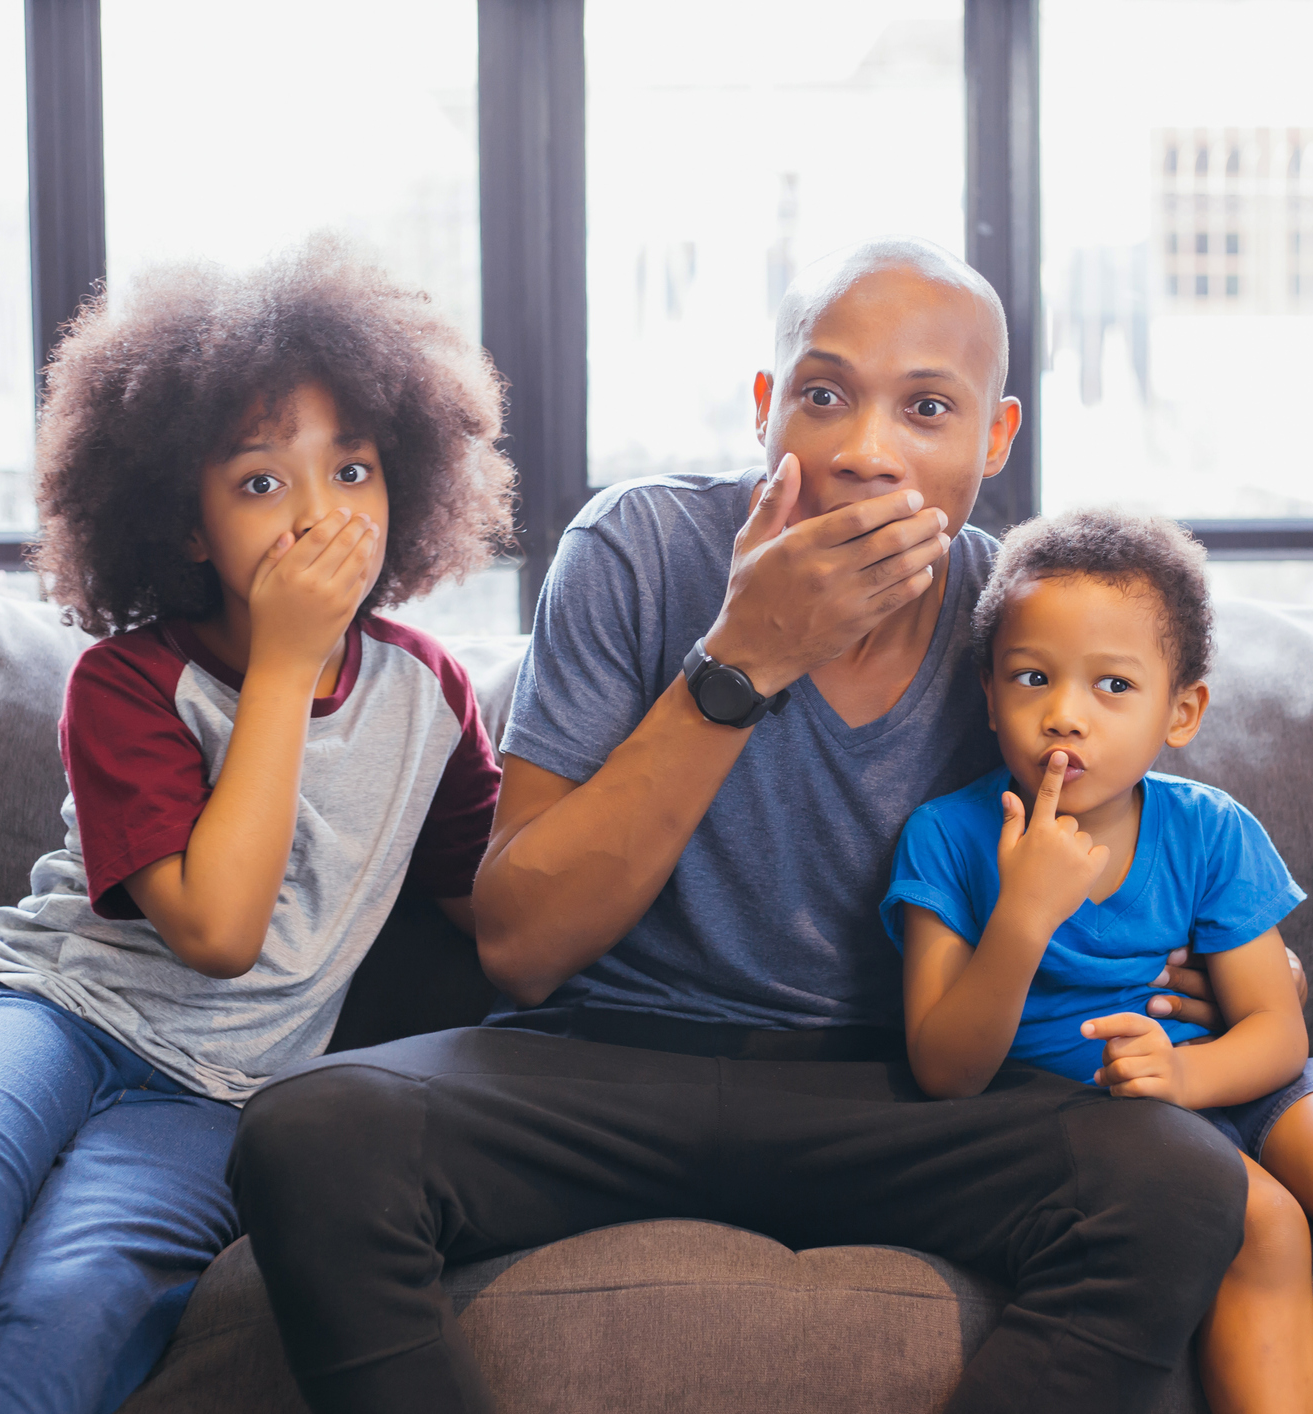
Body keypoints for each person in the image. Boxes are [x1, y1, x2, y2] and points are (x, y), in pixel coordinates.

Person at [232, 239, 1255, 1414]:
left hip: (893, 1097)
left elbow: (1131, 834)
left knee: (1178, 1180)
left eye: (927, 409)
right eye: (824, 396)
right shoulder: (639, 550)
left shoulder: (1013, 618)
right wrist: (743, 657)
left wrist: (1203, 968)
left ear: (996, 439)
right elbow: (519, 944)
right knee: (309, 1137)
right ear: (768, 410)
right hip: (605, 1062)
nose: (866, 451)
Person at [0, 235, 516, 1414]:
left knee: (73, 1303)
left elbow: (509, 907)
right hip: (48, 1011)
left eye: (356, 470)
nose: (319, 517)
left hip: (220, 1094)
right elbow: (218, 928)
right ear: (187, 526)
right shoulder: (128, 684)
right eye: (262, 482)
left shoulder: (429, 699)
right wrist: (283, 665)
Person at [888, 508, 1313, 1414]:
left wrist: (1186, 1072)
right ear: (987, 695)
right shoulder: (950, 838)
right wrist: (1021, 918)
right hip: (1103, 1110)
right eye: (1031, 678)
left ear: (1181, 710)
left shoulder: (1208, 830)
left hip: (1219, 1074)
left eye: (1111, 686)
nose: (1064, 715)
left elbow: (1275, 1032)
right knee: (1263, 1225)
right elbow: (942, 1069)